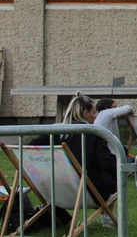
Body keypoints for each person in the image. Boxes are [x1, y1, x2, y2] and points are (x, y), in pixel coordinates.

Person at [29, 94, 118, 228]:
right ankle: (107, 217)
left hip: (56, 191)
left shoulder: (56, 133)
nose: (96, 117)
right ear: (85, 113)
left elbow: (31, 147)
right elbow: (107, 164)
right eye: (94, 113)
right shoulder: (94, 135)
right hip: (90, 193)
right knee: (114, 172)